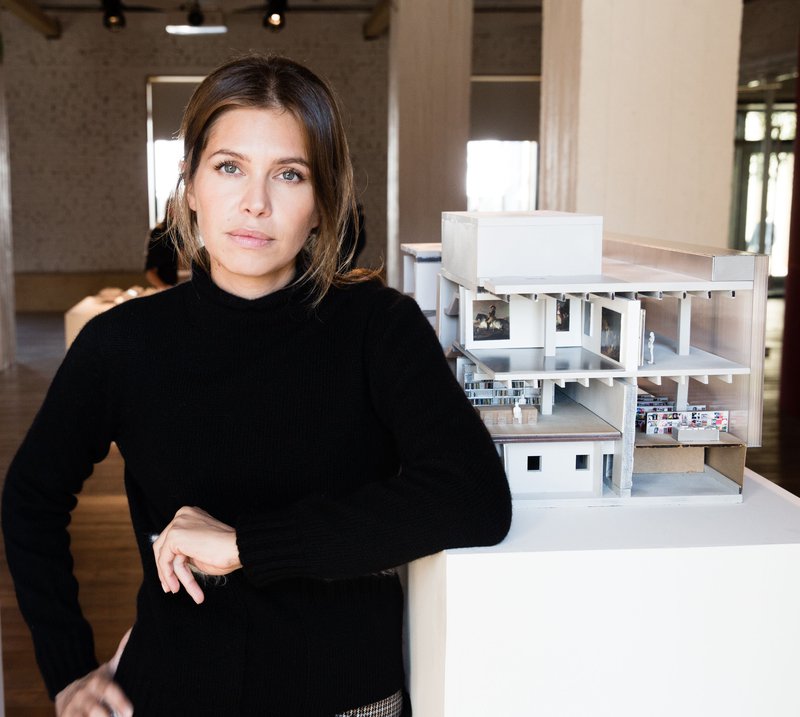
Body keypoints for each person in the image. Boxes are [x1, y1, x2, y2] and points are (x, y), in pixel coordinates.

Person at [2, 54, 512, 717]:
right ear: (190, 186)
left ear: (325, 202)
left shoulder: (378, 328)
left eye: (290, 174)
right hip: (174, 692)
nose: (255, 203)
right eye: (229, 167)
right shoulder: (122, 342)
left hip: (347, 698)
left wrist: (245, 545)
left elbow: (473, 497)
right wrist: (68, 668)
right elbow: (30, 497)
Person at [144, 196, 180, 289]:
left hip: (173, 287)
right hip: (161, 289)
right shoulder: (159, 233)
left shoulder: (178, 233)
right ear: (170, 209)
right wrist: (165, 288)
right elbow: (150, 271)